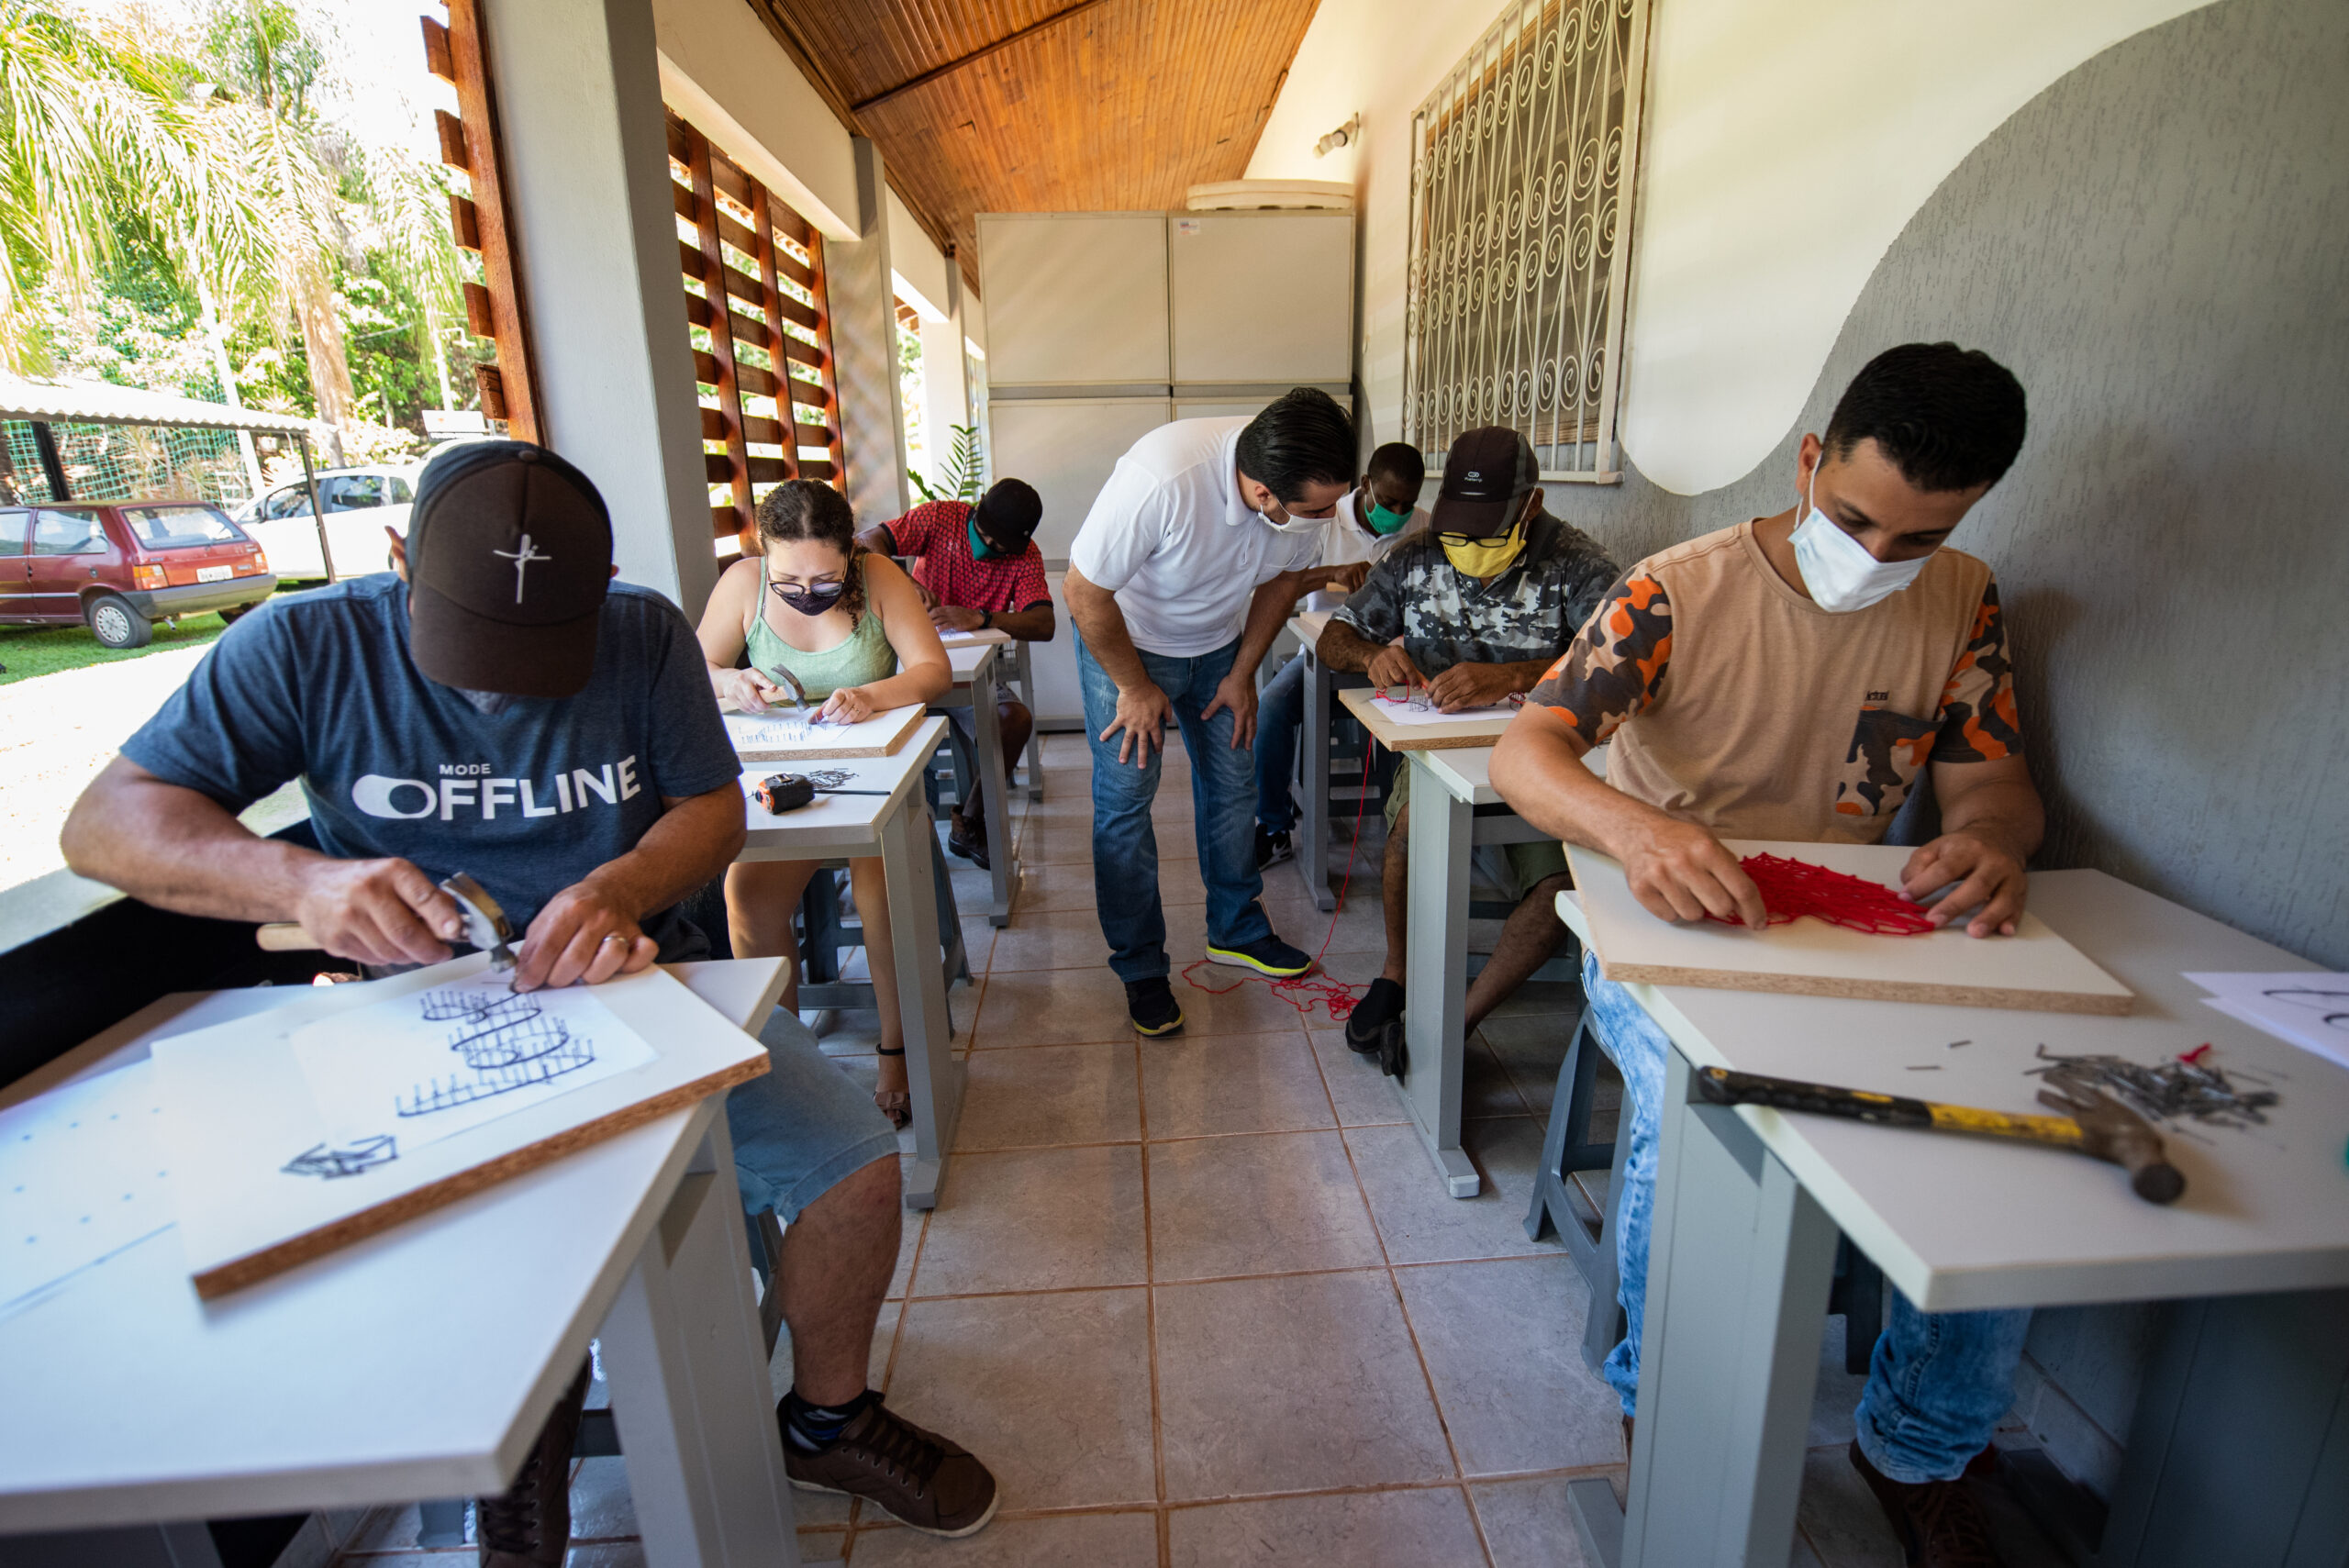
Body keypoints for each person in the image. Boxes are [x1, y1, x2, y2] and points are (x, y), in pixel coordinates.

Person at [59, 442, 998, 1564]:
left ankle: (827, 1415)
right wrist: (304, 882)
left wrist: (621, 886)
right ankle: (519, 1454)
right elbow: (105, 824)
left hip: (649, 987)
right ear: (400, 561)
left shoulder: (641, 631)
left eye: (542, 648)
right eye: (474, 649)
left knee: (853, 1162)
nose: (503, 684)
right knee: (475, 1240)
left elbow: (712, 808)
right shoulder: (303, 645)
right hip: (416, 1015)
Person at [1489, 343, 2040, 1568]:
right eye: (1854, 520)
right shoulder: (1676, 593)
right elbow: (1528, 756)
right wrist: (1637, 828)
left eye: (1916, 539)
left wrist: (1993, 839)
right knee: (1698, 1118)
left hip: (1848, 927)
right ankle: (1668, 1394)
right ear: (1809, 463)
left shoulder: (1965, 599)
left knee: (2000, 1116)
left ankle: (1921, 1446)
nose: (1880, 560)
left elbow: (1992, 781)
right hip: (1667, 922)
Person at [1322, 427, 1618, 1074]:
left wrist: (1514, 676)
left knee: (1558, 890)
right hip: (1437, 753)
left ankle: (1456, 1024)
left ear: (1531, 506)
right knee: (1404, 834)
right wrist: (1374, 654)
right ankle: (1397, 976)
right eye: (1459, 533)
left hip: (1542, 761)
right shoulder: (1417, 556)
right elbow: (1334, 637)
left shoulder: (1576, 563)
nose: (1467, 551)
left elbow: (1620, 662)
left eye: (1487, 536)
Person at [1063, 387, 1352, 1035]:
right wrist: (1134, 687)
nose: (1334, 515)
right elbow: (1083, 591)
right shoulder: (1163, 477)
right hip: (1128, 646)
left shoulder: (1299, 496)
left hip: (1221, 647)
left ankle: (1236, 929)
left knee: (1232, 784)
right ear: (1261, 495)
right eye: (1320, 507)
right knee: (1126, 803)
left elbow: (1282, 583)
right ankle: (1141, 966)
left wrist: (1244, 671)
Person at [698, 480, 951, 1129]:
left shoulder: (880, 577)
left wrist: (874, 694)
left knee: (882, 897)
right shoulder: (743, 585)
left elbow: (932, 670)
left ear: (849, 555)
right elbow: (697, 670)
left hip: (876, 779)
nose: (807, 593)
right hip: (793, 786)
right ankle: (789, 1065)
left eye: (825, 578)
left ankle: (896, 1048)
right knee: (748, 897)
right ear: (762, 552)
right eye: (790, 578)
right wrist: (732, 679)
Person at [855, 477, 1053, 871]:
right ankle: (913, 846)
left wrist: (981, 617)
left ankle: (971, 818)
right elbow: (865, 541)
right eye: (988, 538)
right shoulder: (940, 518)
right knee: (906, 749)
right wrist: (905, 583)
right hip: (910, 668)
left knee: (1014, 719)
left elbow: (1044, 624)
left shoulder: (1025, 555)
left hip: (971, 673)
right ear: (976, 507)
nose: (993, 549)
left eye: (1003, 546)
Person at [1253, 440, 1430, 871]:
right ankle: (1273, 826)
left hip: (1396, 661)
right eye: (1389, 501)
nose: (1399, 512)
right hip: (1324, 653)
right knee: (1273, 709)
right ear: (1366, 485)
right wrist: (1329, 574)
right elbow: (1279, 587)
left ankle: (1405, 838)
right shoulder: (1323, 519)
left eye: (1408, 503)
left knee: (1409, 729)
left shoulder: (1424, 527)